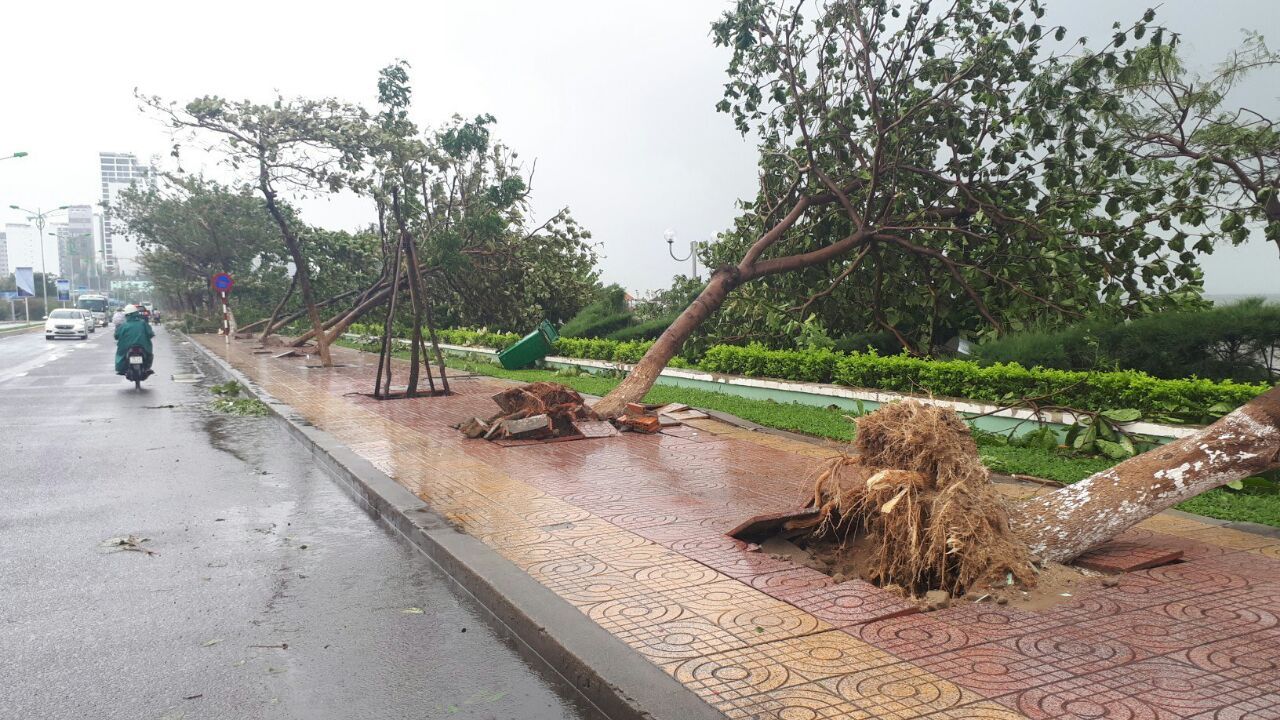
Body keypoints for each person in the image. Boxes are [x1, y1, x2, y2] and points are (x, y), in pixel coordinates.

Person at [114, 304, 155, 376]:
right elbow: (150, 333)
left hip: (126, 347)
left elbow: (116, 336)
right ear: (136, 313)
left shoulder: (123, 325)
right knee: (149, 354)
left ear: (126, 315)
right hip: (143, 346)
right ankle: (147, 368)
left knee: (121, 355)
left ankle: (122, 369)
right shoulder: (143, 323)